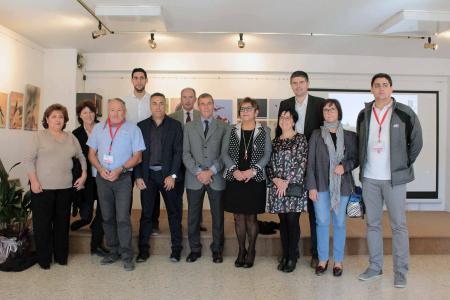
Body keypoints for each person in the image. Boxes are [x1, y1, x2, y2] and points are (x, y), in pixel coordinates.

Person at [357, 73, 422, 288]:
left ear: (391, 89)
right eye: (377, 85)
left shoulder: (405, 113)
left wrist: (402, 165)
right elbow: (360, 142)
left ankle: (401, 272)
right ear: (372, 89)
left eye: (385, 85)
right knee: (372, 224)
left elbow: (416, 143)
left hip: (394, 180)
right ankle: (375, 267)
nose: (381, 89)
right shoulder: (364, 114)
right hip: (370, 179)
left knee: (398, 226)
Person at [24, 104, 87, 269]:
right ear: (47, 119)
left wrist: (84, 174)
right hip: (42, 188)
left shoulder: (71, 138)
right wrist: (34, 181)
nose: (57, 119)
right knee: (42, 225)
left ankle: (61, 257)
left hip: (65, 189)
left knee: (62, 225)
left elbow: (81, 156)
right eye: (54, 116)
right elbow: (28, 161)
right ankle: (44, 260)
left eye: (60, 117)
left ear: (65, 120)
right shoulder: (38, 137)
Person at [87, 98, 145, 271]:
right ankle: (113, 251)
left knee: (122, 218)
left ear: (124, 112)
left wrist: (120, 169)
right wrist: (100, 168)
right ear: (107, 111)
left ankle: (127, 255)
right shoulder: (98, 129)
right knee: (107, 217)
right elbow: (91, 154)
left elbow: (138, 157)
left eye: (120, 110)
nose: (116, 113)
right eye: (112, 110)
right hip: (102, 178)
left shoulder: (133, 129)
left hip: (123, 178)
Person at [278, 70, 325, 268]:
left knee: (315, 214)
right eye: (294, 83)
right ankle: (291, 253)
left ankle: (316, 253)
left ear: (308, 84)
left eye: (301, 82)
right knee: (290, 216)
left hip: (313, 167)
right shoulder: (285, 104)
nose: (298, 86)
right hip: (291, 170)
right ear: (291, 85)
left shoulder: (320, 103)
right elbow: (280, 133)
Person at [306, 99, 359, 277]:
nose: (329, 112)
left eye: (332, 109)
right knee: (321, 222)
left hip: (342, 186)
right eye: (326, 110)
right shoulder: (316, 135)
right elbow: (310, 164)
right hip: (320, 185)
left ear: (339, 112)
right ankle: (322, 259)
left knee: (339, 223)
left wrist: (345, 166)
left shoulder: (350, 136)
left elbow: (355, 158)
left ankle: (338, 260)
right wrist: (311, 187)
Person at [223, 97, 272, 268]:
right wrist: (234, 170)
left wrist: (253, 170)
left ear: (256, 112)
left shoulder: (264, 131)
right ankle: (241, 250)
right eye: (242, 109)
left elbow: (267, 154)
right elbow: (224, 154)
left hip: (254, 178)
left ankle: (251, 250)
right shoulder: (231, 130)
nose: (245, 112)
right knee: (238, 218)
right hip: (235, 178)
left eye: (248, 109)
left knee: (251, 217)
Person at [135, 93, 184, 263]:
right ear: (150, 106)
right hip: (147, 176)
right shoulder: (140, 126)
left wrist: (173, 175)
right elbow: (137, 154)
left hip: (168, 176)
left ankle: (176, 250)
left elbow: (179, 153)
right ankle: (143, 250)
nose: (158, 107)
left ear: (166, 106)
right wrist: (138, 176)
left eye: (161, 103)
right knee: (147, 214)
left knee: (174, 213)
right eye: (154, 103)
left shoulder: (175, 126)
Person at [183, 93, 229, 263]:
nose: (206, 107)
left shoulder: (224, 127)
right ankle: (194, 249)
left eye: (209, 103)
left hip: (215, 178)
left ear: (213, 105)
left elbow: (225, 154)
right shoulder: (188, 127)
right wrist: (199, 172)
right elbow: (185, 153)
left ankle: (217, 249)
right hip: (194, 178)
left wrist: (210, 172)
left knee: (218, 216)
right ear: (198, 106)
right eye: (202, 104)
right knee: (193, 216)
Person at [266, 108, 308, 273]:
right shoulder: (275, 141)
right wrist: (276, 180)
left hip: (293, 188)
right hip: (278, 188)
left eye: (287, 117)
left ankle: (292, 256)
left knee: (292, 221)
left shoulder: (300, 139)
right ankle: (285, 254)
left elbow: (301, 163)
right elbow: (269, 165)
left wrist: (286, 182)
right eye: (281, 117)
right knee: (282, 223)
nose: (284, 120)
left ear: (293, 121)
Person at [123, 67, 162, 234]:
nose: (139, 81)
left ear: (147, 80)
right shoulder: (125, 101)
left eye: (141, 78)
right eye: (136, 78)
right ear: (132, 80)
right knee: (126, 188)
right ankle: (125, 223)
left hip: (148, 151)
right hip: (128, 151)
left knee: (151, 189)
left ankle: (153, 222)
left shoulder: (152, 100)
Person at [70, 100, 108, 256]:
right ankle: (86, 221)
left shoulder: (105, 128)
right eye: (84, 112)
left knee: (103, 211)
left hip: (103, 174)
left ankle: (96, 245)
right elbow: (74, 158)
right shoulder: (75, 134)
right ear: (80, 115)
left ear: (95, 113)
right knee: (86, 213)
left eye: (91, 112)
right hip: (85, 176)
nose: (88, 115)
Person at [169, 87, 207, 232]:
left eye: (190, 97)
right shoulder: (172, 117)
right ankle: (177, 223)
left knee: (196, 195)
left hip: (195, 162)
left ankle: (198, 222)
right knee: (177, 196)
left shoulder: (201, 115)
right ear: (181, 99)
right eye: (184, 97)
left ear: (195, 99)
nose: (187, 100)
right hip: (177, 163)